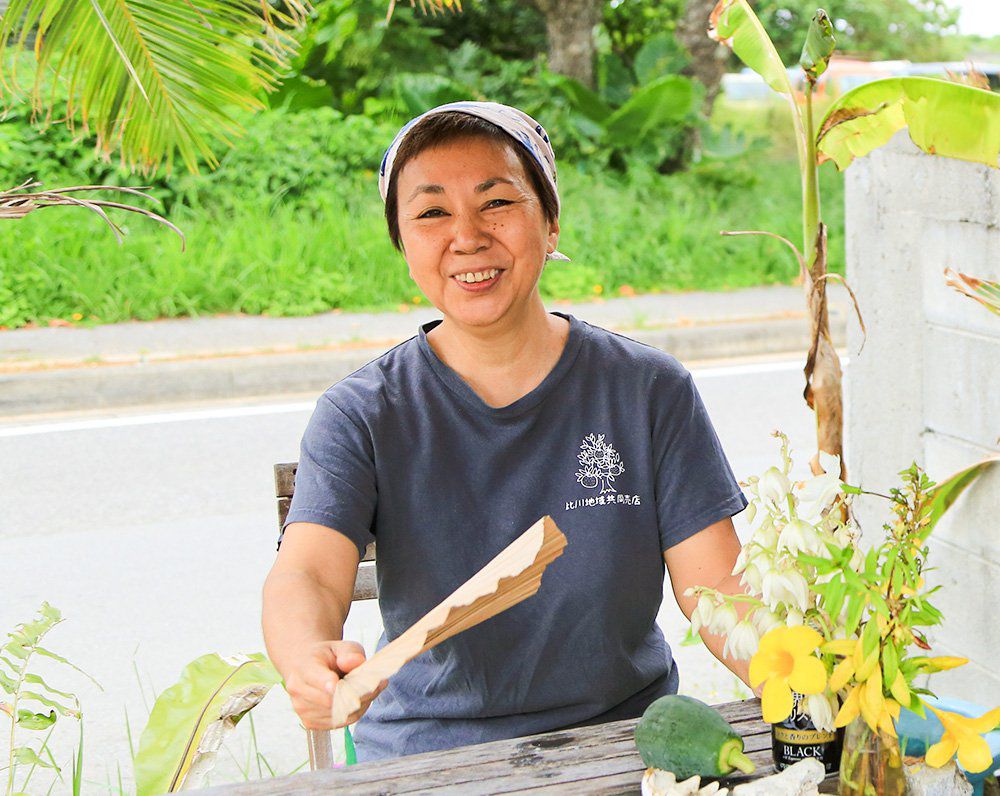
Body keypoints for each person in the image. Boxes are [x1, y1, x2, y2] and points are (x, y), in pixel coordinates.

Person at [262, 101, 753, 763]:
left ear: (549, 224)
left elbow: (718, 591)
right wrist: (306, 657)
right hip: (428, 759)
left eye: (497, 203)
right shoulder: (364, 413)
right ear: (405, 243)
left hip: (622, 745)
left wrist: (820, 684)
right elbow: (311, 575)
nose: (466, 236)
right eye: (432, 212)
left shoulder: (648, 390)